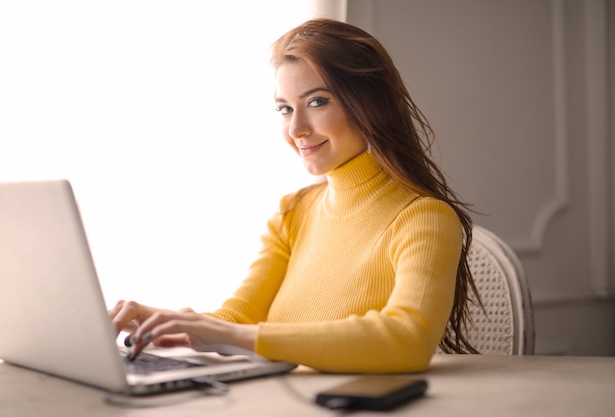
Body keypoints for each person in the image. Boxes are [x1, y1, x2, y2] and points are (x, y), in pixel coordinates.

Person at [110, 18, 482, 374]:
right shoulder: (294, 211)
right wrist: (169, 324)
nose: (296, 129)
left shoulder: (425, 218)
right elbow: (238, 319)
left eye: (317, 102)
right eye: (285, 109)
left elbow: (408, 340)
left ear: (370, 103)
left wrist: (227, 335)